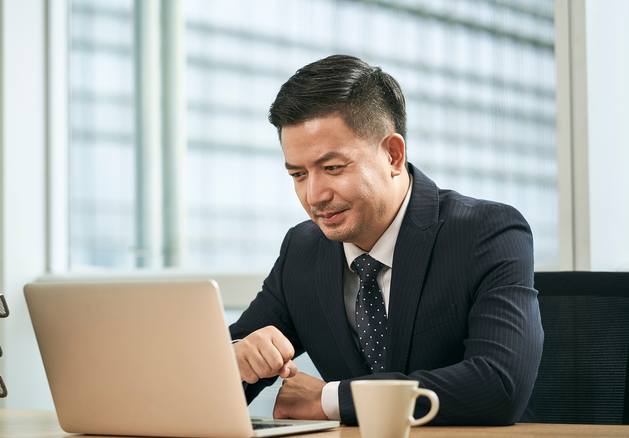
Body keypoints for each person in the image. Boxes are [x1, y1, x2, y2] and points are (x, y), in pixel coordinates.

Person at [229, 55, 543, 426]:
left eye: (332, 168)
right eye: (298, 174)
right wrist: (234, 359)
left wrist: (332, 398)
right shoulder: (302, 250)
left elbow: (498, 386)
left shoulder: (486, 232)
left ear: (393, 155)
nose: (314, 196)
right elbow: (209, 379)